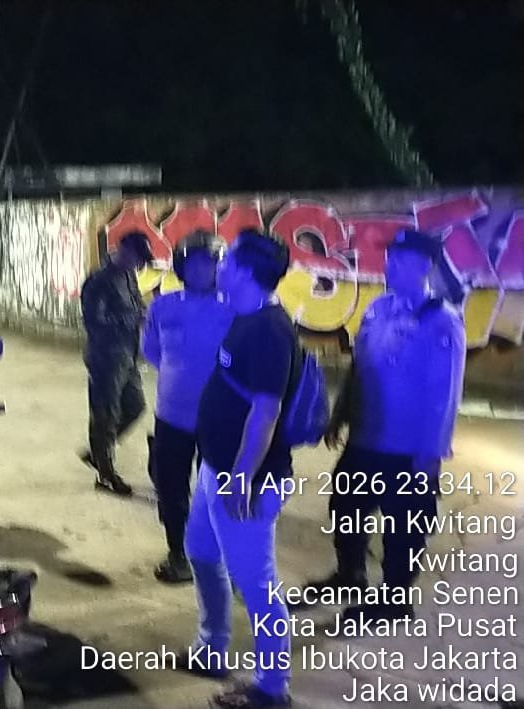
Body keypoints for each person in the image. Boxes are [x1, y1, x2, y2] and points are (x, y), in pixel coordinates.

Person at [305, 228, 465, 622]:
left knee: (405, 526)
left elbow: (445, 394)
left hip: (407, 449)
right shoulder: (378, 308)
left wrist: (431, 453)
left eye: (402, 261)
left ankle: (395, 600)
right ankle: (351, 575)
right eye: (391, 259)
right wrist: (341, 414)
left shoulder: (441, 321)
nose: (391, 267)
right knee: (346, 506)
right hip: (366, 438)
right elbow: (361, 368)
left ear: (425, 267)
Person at [182, 229, 296, 708]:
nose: (219, 265)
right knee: (201, 552)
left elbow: (266, 412)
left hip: (244, 480)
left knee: (256, 584)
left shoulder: (270, 330)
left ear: (246, 272)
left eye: (227, 260)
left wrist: (242, 476)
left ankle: (271, 687)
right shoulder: (244, 316)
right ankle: (213, 646)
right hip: (217, 468)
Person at [141, 231, 234, 583]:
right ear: (181, 267)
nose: (200, 271)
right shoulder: (163, 306)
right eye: (193, 264)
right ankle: (177, 553)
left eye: (208, 264)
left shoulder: (234, 309)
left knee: (215, 490)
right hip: (171, 416)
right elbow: (152, 351)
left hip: (219, 419)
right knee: (170, 487)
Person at [79, 230, 153, 496]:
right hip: (105, 357)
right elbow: (94, 322)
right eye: (137, 257)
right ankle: (105, 474)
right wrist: (132, 319)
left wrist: (143, 313)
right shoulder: (98, 281)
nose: (139, 264)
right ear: (123, 250)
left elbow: (135, 304)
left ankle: (99, 453)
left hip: (127, 354)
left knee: (135, 406)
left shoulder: (127, 276)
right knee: (105, 415)